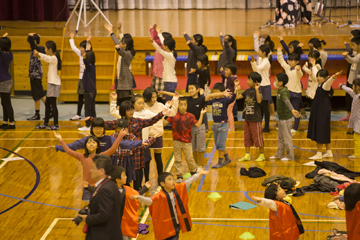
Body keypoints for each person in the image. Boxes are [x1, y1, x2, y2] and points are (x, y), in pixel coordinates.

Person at [90, 100, 171, 190]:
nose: (131, 112)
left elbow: (150, 121)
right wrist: (91, 119)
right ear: (123, 111)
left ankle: (137, 192)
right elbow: (103, 124)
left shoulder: (138, 121)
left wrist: (161, 114)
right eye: (128, 110)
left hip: (136, 155)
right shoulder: (118, 122)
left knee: (137, 177)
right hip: (122, 156)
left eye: (132, 109)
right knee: (123, 178)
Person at [130, 169, 210, 240]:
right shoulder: (159, 196)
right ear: (162, 184)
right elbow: (149, 201)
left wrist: (199, 174)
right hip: (165, 228)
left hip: (176, 226)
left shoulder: (178, 189)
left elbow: (188, 181)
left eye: (173, 179)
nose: (173, 181)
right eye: (169, 179)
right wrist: (139, 197)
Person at [53, 127, 127, 201]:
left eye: (93, 142)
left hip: (100, 187)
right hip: (87, 187)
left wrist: (120, 135)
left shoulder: (101, 155)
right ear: (86, 146)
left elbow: (113, 148)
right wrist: (60, 139)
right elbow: (69, 151)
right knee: (88, 208)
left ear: (97, 146)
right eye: (89, 142)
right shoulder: (82, 156)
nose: (91, 144)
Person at [84, 165, 151, 240]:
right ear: (118, 180)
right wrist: (88, 188)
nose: (126, 177)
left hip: (123, 225)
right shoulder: (111, 192)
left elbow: (136, 195)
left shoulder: (126, 190)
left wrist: (145, 188)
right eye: (124, 175)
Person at [77, 155, 123, 240]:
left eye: (93, 168)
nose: (90, 170)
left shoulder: (106, 189)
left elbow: (105, 215)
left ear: (102, 171)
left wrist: (87, 219)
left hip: (104, 235)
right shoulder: (108, 185)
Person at [163, 97, 207, 182]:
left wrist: (201, 114)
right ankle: (179, 175)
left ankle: (193, 171)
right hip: (176, 141)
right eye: (181, 104)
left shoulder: (190, 116)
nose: (183, 106)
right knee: (178, 159)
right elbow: (164, 123)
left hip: (187, 142)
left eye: (185, 105)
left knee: (189, 158)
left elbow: (198, 124)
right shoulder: (173, 115)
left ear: (187, 105)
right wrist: (164, 113)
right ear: (177, 105)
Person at [307, 69, 342, 160]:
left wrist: (334, 76)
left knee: (321, 130)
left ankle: (319, 153)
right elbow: (314, 78)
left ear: (326, 77)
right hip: (319, 108)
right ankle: (329, 152)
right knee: (324, 129)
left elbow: (330, 80)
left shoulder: (326, 85)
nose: (318, 78)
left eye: (321, 76)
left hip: (323, 110)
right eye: (318, 76)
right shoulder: (319, 84)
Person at [143, 87, 179, 175]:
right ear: (147, 97)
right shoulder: (142, 106)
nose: (154, 99)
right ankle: (147, 179)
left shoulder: (160, 105)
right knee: (146, 160)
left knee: (158, 158)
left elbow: (173, 113)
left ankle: (160, 177)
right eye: (152, 97)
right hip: (144, 137)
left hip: (157, 134)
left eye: (155, 97)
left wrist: (175, 100)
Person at [269, 73, 300, 161]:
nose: (274, 82)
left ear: (281, 82)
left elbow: (286, 100)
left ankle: (290, 156)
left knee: (287, 137)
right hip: (281, 118)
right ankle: (279, 154)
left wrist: (292, 109)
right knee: (280, 138)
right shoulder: (280, 89)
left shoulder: (283, 92)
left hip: (286, 118)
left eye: (275, 80)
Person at [105, 23, 136, 107]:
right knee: (120, 101)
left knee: (125, 102)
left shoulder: (129, 54)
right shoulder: (125, 49)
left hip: (125, 81)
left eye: (121, 42)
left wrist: (118, 48)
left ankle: (125, 117)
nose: (119, 43)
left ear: (125, 45)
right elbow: (117, 42)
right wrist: (111, 32)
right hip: (121, 79)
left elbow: (122, 52)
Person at [236, 72, 265, 162]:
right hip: (247, 118)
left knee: (258, 137)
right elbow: (237, 97)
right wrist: (236, 88)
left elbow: (259, 101)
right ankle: (247, 155)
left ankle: (262, 155)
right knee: (247, 137)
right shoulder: (247, 91)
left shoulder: (259, 91)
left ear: (255, 82)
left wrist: (257, 89)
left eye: (249, 80)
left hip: (255, 119)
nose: (247, 81)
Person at [207, 83, 236, 168]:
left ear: (222, 93)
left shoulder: (225, 100)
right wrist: (202, 94)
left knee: (220, 145)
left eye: (217, 93)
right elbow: (205, 101)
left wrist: (236, 90)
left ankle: (220, 161)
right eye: (214, 93)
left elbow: (232, 99)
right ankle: (227, 158)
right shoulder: (213, 101)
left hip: (223, 125)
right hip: (215, 125)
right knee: (219, 145)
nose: (216, 95)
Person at [34, 40, 61, 130]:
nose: (45, 49)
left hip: (54, 84)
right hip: (51, 84)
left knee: (53, 105)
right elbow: (46, 58)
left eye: (45, 48)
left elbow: (46, 58)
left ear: (50, 49)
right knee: (48, 104)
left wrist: (39, 54)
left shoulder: (53, 58)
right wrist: (38, 55)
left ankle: (56, 124)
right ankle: (46, 123)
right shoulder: (53, 57)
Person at [277, 47, 303, 135]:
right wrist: (279, 52)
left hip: (296, 93)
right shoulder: (287, 67)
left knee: (295, 110)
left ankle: (295, 128)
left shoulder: (298, 69)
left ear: (297, 62)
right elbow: (281, 61)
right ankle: (284, 126)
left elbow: (300, 75)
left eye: (292, 61)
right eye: (289, 60)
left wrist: (299, 70)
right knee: (286, 110)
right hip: (287, 92)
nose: (290, 62)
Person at [148, 36, 177, 102]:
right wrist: (159, 33)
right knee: (169, 101)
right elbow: (163, 42)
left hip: (170, 82)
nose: (162, 45)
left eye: (163, 44)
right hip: (169, 81)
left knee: (170, 102)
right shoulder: (170, 53)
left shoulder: (169, 55)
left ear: (166, 46)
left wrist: (153, 42)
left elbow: (160, 51)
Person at [250, 45, 272, 132]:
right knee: (261, 107)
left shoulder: (266, 61)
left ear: (264, 53)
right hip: (262, 85)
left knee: (265, 107)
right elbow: (256, 70)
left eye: (259, 51)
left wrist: (253, 62)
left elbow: (257, 69)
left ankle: (267, 127)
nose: (258, 52)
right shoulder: (262, 60)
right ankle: (261, 125)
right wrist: (253, 62)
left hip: (265, 85)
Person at [69, 32, 89, 121]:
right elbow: (73, 48)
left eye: (82, 47)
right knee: (80, 96)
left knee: (87, 97)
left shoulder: (89, 55)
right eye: (80, 47)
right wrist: (72, 38)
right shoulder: (80, 54)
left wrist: (88, 43)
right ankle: (78, 114)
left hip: (87, 79)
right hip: (81, 78)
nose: (80, 49)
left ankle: (88, 114)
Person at [26, 33, 47, 121]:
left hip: (36, 75)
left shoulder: (37, 49)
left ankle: (48, 111)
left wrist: (31, 35)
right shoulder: (38, 48)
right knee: (40, 94)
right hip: (35, 75)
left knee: (39, 95)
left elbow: (32, 43)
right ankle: (39, 113)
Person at [149, 24, 172, 101]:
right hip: (157, 73)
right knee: (155, 93)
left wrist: (156, 31)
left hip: (161, 74)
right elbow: (155, 39)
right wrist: (153, 30)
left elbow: (157, 39)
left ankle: (162, 108)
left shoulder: (164, 48)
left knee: (161, 95)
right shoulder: (159, 47)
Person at [341, 36, 360, 125]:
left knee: (356, 100)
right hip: (352, 79)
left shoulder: (359, 55)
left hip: (357, 81)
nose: (353, 47)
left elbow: (353, 61)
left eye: (354, 45)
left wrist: (346, 56)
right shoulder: (356, 52)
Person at [78, 37, 97, 131]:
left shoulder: (90, 67)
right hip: (90, 90)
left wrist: (86, 53)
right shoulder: (91, 67)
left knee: (88, 110)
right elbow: (88, 56)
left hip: (89, 91)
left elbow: (86, 60)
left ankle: (88, 125)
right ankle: (92, 125)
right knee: (91, 109)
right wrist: (88, 43)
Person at [340, 79, 360, 159]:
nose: (352, 87)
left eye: (353, 86)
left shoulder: (359, 97)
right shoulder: (355, 95)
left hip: (359, 121)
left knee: (357, 137)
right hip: (357, 120)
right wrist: (342, 86)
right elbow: (349, 91)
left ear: (358, 87)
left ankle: (357, 154)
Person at [0, 33, 15, 129]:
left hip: (4, 81)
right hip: (6, 81)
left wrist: (1, 37)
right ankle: (5, 122)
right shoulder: (9, 54)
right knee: (4, 102)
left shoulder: (2, 55)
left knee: (7, 103)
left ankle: (12, 123)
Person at [220, 62, 237, 131]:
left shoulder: (234, 77)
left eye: (227, 70)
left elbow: (230, 79)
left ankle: (231, 128)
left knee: (229, 112)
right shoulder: (228, 77)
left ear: (231, 71)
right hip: (227, 96)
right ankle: (227, 126)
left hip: (230, 97)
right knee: (226, 112)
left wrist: (223, 71)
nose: (225, 71)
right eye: (225, 69)